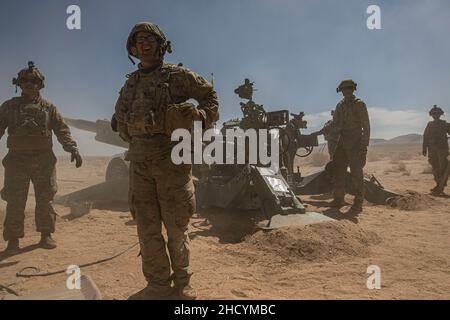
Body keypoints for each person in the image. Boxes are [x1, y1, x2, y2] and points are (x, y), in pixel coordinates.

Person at [113, 22, 219, 300]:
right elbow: (118, 118)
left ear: (161, 45)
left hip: (172, 162)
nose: (144, 43)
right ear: (133, 49)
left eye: (150, 38)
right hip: (140, 165)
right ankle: (158, 284)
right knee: (147, 227)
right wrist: (125, 126)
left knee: (176, 226)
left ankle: (183, 282)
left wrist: (200, 117)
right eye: (138, 40)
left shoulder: (178, 76)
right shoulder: (130, 84)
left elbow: (210, 97)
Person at [0, 62, 82, 253]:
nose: (30, 84)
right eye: (26, 81)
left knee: (45, 198)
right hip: (16, 160)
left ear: (40, 84)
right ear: (19, 83)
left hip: (44, 160)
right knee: (15, 200)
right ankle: (13, 241)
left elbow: (62, 129)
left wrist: (72, 149)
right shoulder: (9, 106)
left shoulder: (49, 108)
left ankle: (46, 234)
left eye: (34, 81)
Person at [329, 79, 370, 214]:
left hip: (356, 142)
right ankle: (338, 198)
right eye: (344, 90)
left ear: (353, 89)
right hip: (342, 141)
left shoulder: (359, 104)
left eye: (349, 89)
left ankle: (358, 203)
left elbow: (366, 127)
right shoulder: (339, 106)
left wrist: (363, 146)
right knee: (338, 169)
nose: (346, 91)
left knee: (356, 173)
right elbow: (335, 125)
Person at [422, 105, 450, 196]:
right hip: (432, 150)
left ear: (440, 114)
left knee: (443, 168)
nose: (435, 115)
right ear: (431, 115)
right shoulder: (429, 124)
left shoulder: (445, 124)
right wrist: (424, 149)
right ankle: (438, 185)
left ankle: (441, 186)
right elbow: (425, 137)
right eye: (434, 114)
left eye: (437, 114)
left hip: (442, 150)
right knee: (435, 168)